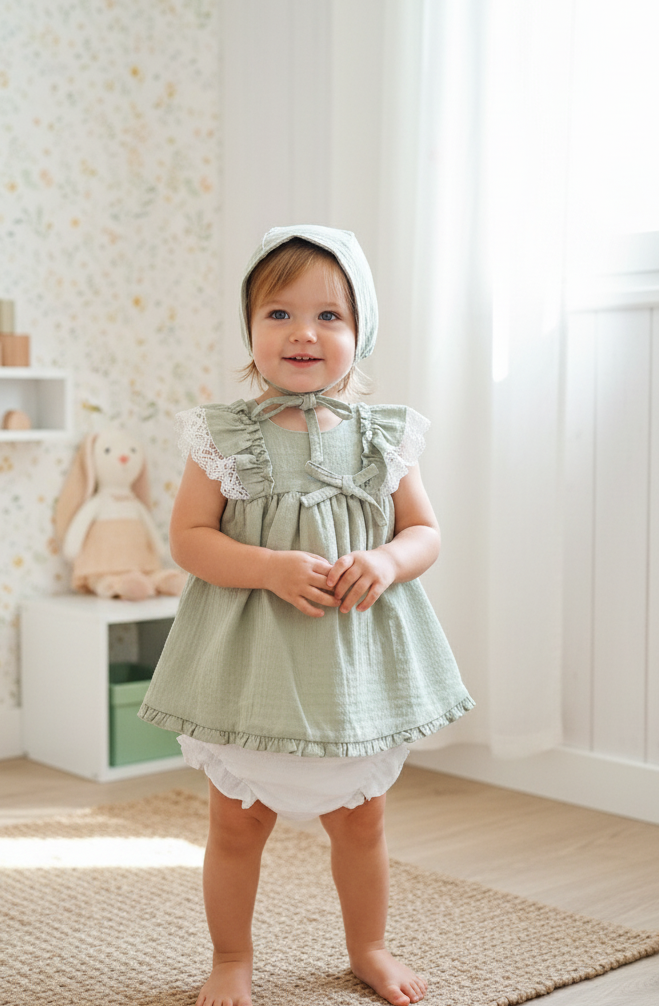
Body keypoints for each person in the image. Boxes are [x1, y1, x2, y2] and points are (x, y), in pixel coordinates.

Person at [139, 225, 474, 1006]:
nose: (303, 333)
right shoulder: (223, 435)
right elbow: (189, 539)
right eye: (279, 314)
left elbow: (424, 533)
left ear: (360, 333)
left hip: (350, 676)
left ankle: (368, 947)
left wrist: (386, 561)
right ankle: (231, 957)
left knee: (361, 824)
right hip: (252, 671)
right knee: (236, 826)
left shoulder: (383, 435)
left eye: (329, 316)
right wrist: (267, 567)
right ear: (250, 329)